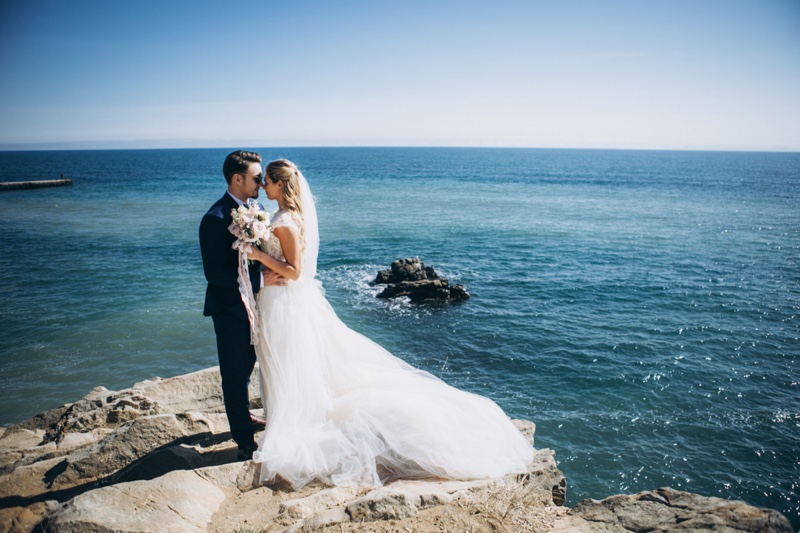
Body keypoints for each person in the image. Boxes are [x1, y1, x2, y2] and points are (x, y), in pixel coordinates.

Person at [244, 159, 533, 489]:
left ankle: (293, 419)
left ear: (280, 186)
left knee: (287, 362)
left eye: (266, 180)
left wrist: (257, 256)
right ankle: (286, 413)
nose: (263, 186)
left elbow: (294, 271)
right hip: (283, 299)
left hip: (286, 303)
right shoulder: (288, 217)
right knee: (289, 362)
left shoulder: (283, 220)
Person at [199, 150, 284, 461]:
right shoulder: (215, 218)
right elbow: (215, 274)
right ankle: (245, 443)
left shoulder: (257, 209)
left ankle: (246, 416)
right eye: (256, 177)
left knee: (251, 366)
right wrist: (262, 281)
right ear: (237, 179)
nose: (262, 183)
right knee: (235, 376)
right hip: (230, 309)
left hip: (257, 305)